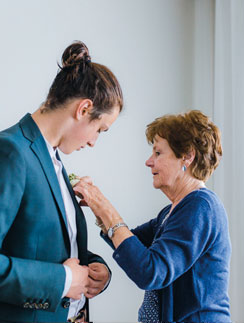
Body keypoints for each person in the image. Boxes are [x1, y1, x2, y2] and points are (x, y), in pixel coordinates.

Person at [0, 41, 123, 323]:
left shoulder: (53, 160)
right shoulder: (8, 153)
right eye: (99, 129)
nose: (93, 141)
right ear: (84, 109)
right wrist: (62, 280)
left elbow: (38, 245)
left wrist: (93, 268)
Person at [74, 110, 232, 323]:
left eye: (158, 153)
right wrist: (97, 207)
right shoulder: (171, 212)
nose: (149, 162)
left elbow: (149, 271)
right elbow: (132, 246)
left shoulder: (201, 207)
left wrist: (104, 207)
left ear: (187, 156)